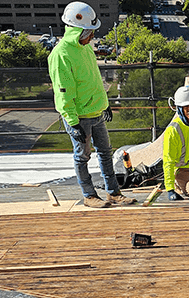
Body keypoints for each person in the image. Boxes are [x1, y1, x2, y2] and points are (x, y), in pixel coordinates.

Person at [48, 1, 134, 208]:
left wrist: (104, 104)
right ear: (78, 29)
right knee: (82, 157)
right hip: (79, 116)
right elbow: (63, 91)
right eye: (90, 31)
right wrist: (72, 121)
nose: (93, 36)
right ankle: (89, 195)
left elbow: (93, 79)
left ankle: (113, 193)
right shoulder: (61, 54)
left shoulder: (84, 48)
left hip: (95, 112)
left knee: (105, 152)